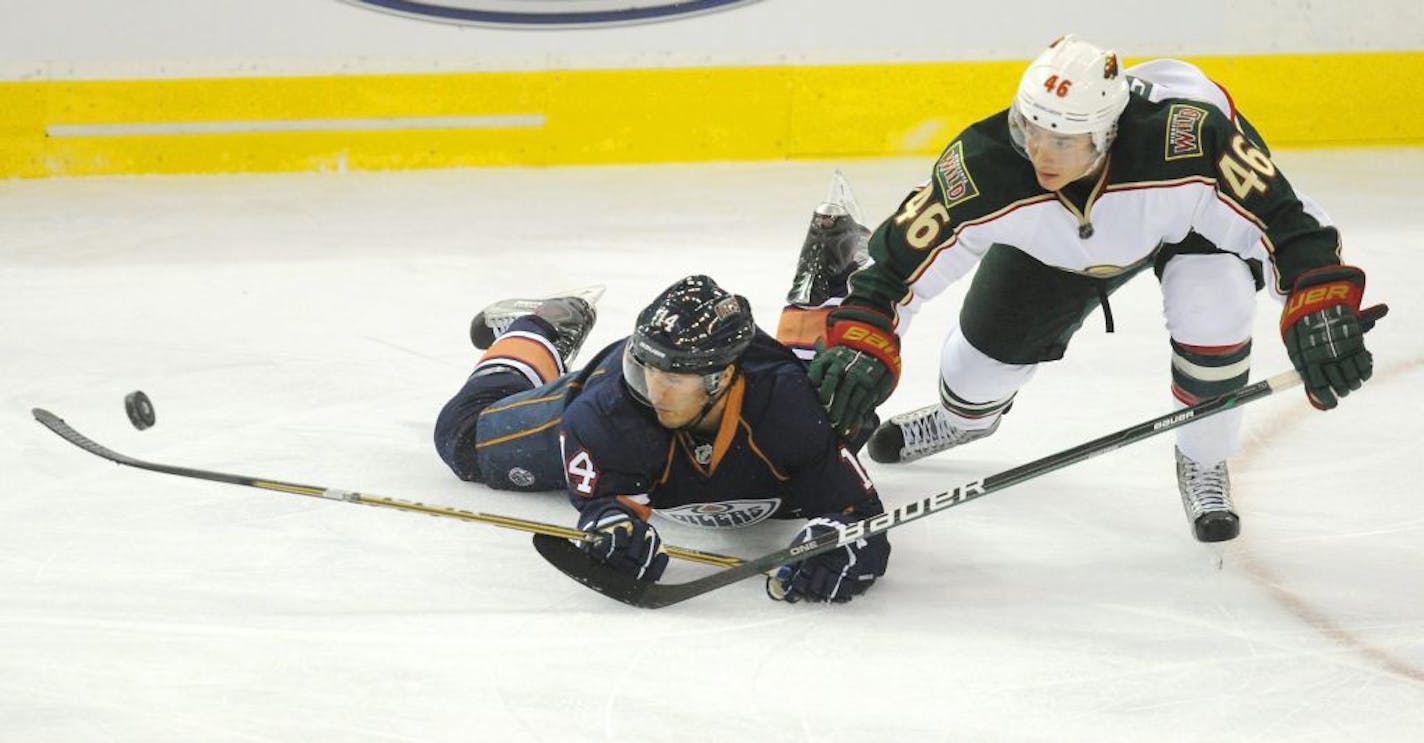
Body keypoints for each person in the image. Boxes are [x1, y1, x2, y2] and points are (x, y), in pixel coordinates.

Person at [807, 35, 1387, 543]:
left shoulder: (1189, 142)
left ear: (1107, 132)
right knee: (976, 371)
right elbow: (893, 268)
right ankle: (965, 418)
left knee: (1214, 305)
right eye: (1031, 130)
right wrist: (866, 335)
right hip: (1060, 250)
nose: (1040, 152)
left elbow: (1288, 223)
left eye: (1063, 141)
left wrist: (1319, 301)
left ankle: (1204, 459)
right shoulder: (986, 166)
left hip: (1190, 227)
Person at [434, 192, 889, 603]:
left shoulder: (788, 410)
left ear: (720, 378)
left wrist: (841, 543)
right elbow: (605, 502)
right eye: (647, 368)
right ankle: (546, 324)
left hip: (772, 394)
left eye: (674, 378)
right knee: (460, 437)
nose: (654, 390)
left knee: (848, 415)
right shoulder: (607, 411)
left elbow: (860, 518)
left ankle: (826, 265)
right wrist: (615, 529)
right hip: (618, 389)